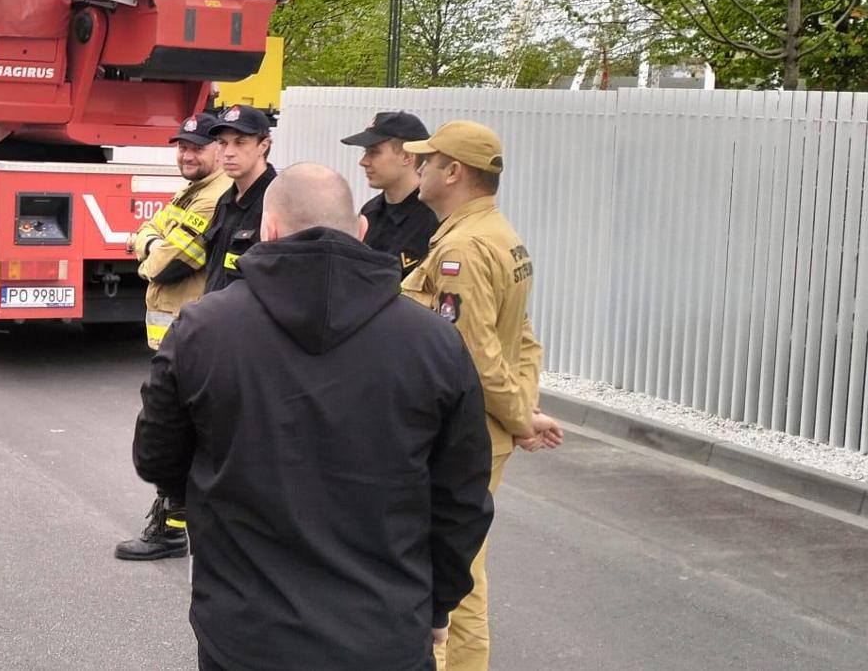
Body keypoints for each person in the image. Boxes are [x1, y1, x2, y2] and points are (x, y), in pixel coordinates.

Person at [134, 163, 495, 671]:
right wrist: (438, 603)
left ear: (269, 229)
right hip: (386, 633)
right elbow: (462, 498)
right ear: (362, 231)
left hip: (246, 634)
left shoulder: (202, 329)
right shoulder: (434, 342)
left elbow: (157, 457)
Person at [400, 120, 564, 671]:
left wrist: (520, 418)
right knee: (464, 560)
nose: (418, 168)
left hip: (466, 430)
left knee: (454, 569)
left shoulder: (464, 249)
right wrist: (526, 409)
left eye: (428, 160)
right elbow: (522, 336)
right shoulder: (498, 234)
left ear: (455, 171)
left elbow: (473, 351)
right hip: (489, 425)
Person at [113, 112, 231, 562]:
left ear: (219, 149)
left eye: (197, 146)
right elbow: (151, 234)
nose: (187, 153)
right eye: (182, 145)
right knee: (177, 433)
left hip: (192, 338)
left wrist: (147, 244)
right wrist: (151, 241)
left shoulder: (212, 198)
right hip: (175, 339)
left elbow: (164, 261)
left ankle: (173, 529)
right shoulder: (191, 192)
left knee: (179, 435)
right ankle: (174, 522)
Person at [345, 111, 438, 277]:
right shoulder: (370, 212)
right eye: (365, 152)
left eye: (373, 152)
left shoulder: (434, 219)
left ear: (407, 156)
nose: (363, 161)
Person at [196, 104, 277, 293]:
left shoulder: (277, 201)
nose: (229, 152)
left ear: (263, 146)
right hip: (216, 315)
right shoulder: (225, 201)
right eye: (223, 143)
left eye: (240, 142)